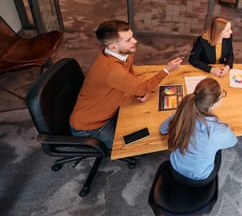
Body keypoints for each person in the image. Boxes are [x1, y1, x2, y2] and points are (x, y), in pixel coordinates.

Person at [70, 20, 183, 150]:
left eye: (132, 36)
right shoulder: (112, 70)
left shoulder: (124, 53)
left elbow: (131, 76)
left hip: (107, 109)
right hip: (89, 126)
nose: (135, 41)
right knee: (135, 148)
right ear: (113, 47)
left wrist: (138, 90)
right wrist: (167, 69)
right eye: (128, 40)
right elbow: (143, 87)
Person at [160, 78, 237, 181]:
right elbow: (233, 141)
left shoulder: (182, 113)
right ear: (214, 104)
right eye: (222, 95)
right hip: (199, 178)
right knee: (218, 150)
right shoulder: (217, 130)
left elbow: (162, 129)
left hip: (175, 168)